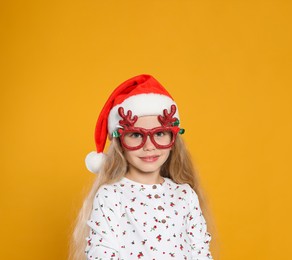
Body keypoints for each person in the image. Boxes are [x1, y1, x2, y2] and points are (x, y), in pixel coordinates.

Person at [69, 74, 214, 259]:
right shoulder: (111, 196)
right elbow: (102, 253)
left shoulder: (185, 195)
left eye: (160, 133)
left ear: (173, 139)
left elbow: (200, 252)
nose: (149, 146)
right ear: (120, 142)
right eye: (136, 135)